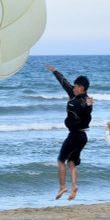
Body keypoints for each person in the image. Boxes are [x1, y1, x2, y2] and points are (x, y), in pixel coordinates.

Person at [45, 65, 93, 201]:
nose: (73, 87)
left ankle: (62, 187)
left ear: (81, 88)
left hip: (76, 135)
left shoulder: (86, 102)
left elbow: (86, 115)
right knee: (71, 162)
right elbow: (64, 83)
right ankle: (73, 186)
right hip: (82, 136)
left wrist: (88, 107)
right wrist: (55, 72)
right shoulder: (75, 95)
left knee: (61, 160)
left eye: (76, 86)